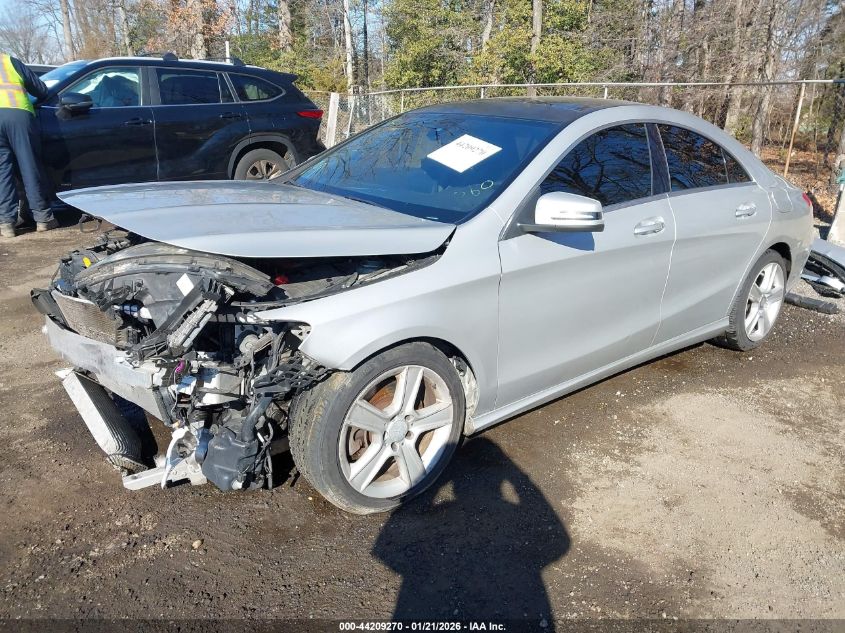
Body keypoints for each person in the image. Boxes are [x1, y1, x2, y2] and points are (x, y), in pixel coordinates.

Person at [0, 53, 56, 238]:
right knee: (28, 166)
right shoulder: (8, 61)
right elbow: (41, 90)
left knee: (2, 173)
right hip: (18, 115)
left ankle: (6, 225)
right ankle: (43, 218)